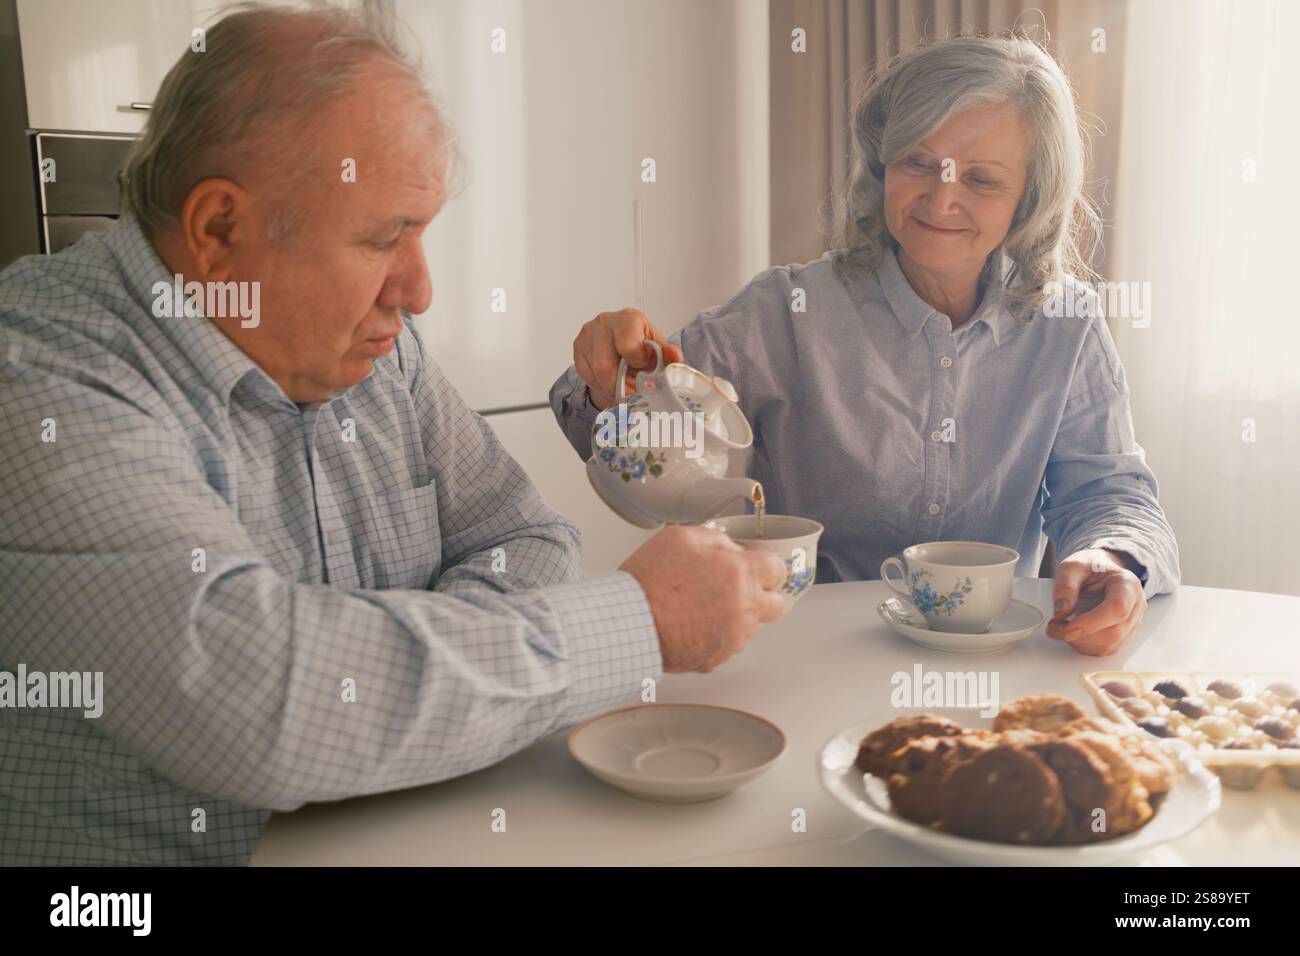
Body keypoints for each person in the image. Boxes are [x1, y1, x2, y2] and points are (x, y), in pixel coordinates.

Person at [0, 3, 784, 865]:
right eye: (384, 237)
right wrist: (638, 619)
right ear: (220, 231)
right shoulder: (37, 374)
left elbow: (525, 534)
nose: (419, 291)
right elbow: (260, 704)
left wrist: (385, 681)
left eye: (421, 231)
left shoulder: (379, 350)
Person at [552, 33, 1180, 658]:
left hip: (990, 660)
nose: (941, 198)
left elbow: (1109, 491)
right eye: (917, 162)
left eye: (982, 180)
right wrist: (615, 377)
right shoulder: (786, 310)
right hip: (801, 654)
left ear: (1030, 201)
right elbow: (606, 427)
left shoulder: (1065, 322)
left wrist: (1110, 556)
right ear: (881, 167)